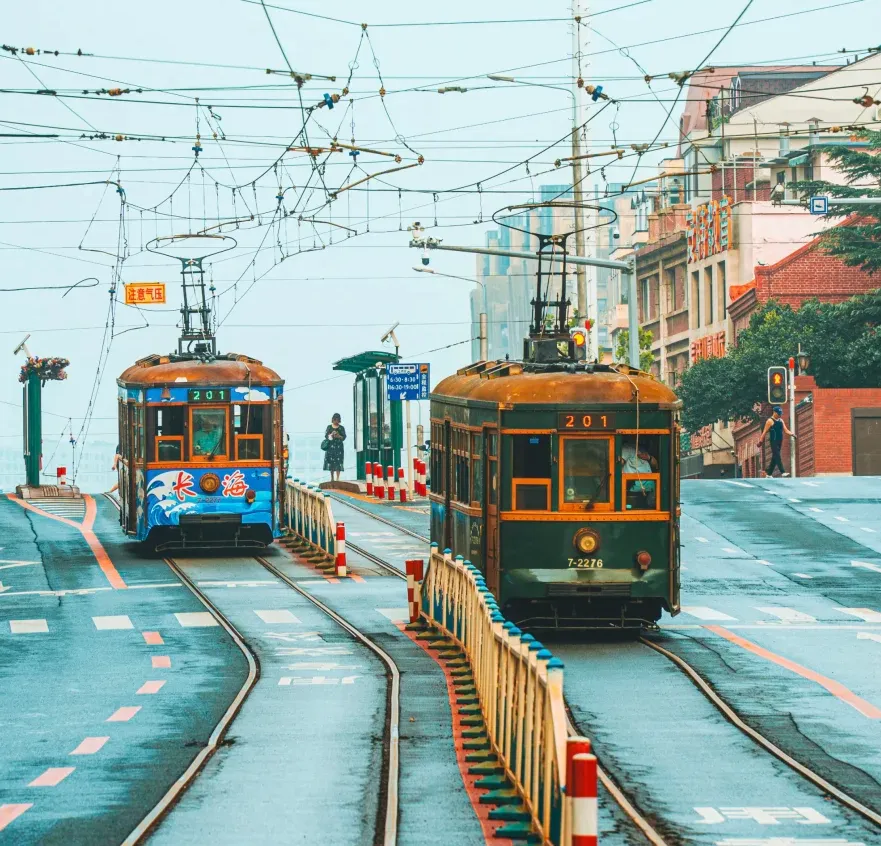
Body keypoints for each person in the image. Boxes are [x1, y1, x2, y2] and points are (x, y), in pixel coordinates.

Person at [619, 438, 659, 508]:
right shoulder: (626, 448)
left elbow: (656, 465)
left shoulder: (642, 449)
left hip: (649, 488)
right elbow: (619, 463)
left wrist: (649, 458)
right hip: (636, 489)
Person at [758, 405, 795, 477]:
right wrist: (760, 441)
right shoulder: (770, 421)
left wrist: (792, 434)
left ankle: (769, 474)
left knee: (774, 457)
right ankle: (783, 472)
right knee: (777, 456)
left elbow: (786, 430)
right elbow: (764, 432)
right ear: (774, 412)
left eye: (780, 414)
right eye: (778, 414)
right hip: (773, 441)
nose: (779, 415)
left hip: (779, 441)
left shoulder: (781, 420)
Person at [324, 413, 346, 482]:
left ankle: (338, 478)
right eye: (335, 420)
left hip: (339, 448)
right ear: (333, 419)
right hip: (330, 447)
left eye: (337, 420)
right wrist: (331, 435)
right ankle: (332, 477)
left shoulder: (341, 428)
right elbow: (326, 436)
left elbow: (344, 437)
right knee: (331, 463)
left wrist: (338, 436)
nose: (336, 421)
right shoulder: (329, 427)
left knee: (338, 462)